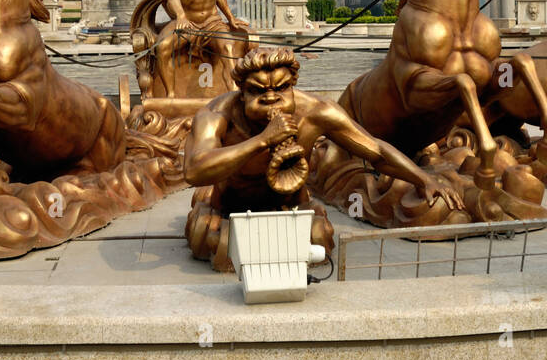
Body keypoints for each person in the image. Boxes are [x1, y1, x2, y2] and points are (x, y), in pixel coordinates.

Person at [184, 45, 464, 270]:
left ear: (293, 85)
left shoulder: (317, 112)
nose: (271, 98)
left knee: (318, 237)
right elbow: (195, 170)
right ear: (241, 94)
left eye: (281, 88)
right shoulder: (217, 114)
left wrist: (423, 178)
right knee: (216, 244)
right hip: (232, 208)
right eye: (258, 91)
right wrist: (262, 140)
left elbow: (375, 150)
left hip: (289, 205)